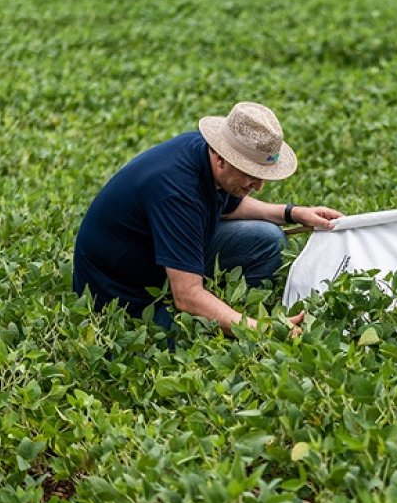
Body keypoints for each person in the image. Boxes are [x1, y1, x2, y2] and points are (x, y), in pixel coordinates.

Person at [73, 101, 342, 335]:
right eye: (251, 174)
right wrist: (262, 331)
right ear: (222, 158)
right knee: (185, 334)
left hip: (158, 255)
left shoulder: (204, 154)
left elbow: (230, 207)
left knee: (268, 239)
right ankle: (234, 321)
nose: (258, 185)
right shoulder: (177, 192)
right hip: (121, 292)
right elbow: (187, 296)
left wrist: (293, 213)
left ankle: (233, 312)